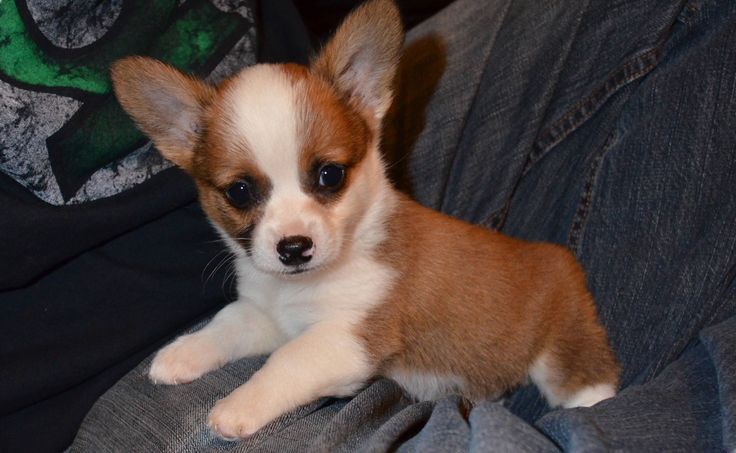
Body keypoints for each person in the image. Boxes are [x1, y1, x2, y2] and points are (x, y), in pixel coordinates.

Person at [67, 0, 736, 450]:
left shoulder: (375, 252)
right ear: (182, 140)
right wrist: (216, 344)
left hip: (530, 321)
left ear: (367, 103)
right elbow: (268, 314)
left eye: (326, 178)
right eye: (246, 192)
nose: (291, 227)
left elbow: (344, 349)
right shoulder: (258, 231)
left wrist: (266, 387)